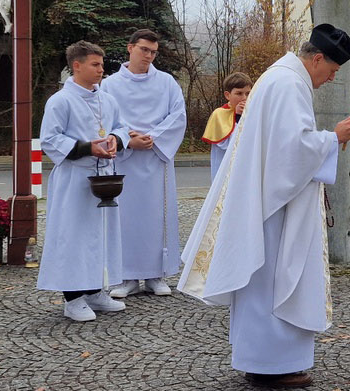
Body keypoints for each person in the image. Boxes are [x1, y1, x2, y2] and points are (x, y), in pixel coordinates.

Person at [179, 24, 350, 388]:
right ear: (317, 58)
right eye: (332, 71)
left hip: (265, 200)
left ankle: (263, 360)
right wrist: (332, 138)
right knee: (273, 279)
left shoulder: (280, 76)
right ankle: (271, 364)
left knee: (264, 282)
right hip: (275, 208)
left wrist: (323, 143)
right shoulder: (289, 84)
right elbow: (292, 152)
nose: (331, 79)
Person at [38, 41, 131, 321]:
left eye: (102, 64)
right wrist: (88, 148)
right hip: (75, 177)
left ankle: (95, 290)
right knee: (74, 237)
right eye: (95, 64)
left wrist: (115, 140)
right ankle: (72, 297)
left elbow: (122, 127)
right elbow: (50, 139)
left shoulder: (107, 99)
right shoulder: (60, 101)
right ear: (76, 66)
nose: (101, 70)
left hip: (104, 176)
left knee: (100, 235)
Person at [100, 29, 186, 298]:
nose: (149, 56)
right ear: (130, 48)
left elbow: (178, 116)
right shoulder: (110, 85)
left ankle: (155, 274)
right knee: (125, 218)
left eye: (153, 52)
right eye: (144, 50)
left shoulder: (167, 82)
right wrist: (127, 138)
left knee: (156, 217)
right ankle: (125, 276)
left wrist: (154, 137)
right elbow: (105, 118)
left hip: (156, 158)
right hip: (126, 160)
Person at [201, 72, 252, 180]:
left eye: (248, 93)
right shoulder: (219, 114)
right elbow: (227, 144)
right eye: (239, 93)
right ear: (227, 95)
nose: (244, 98)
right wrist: (238, 116)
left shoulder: (253, 113)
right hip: (225, 166)